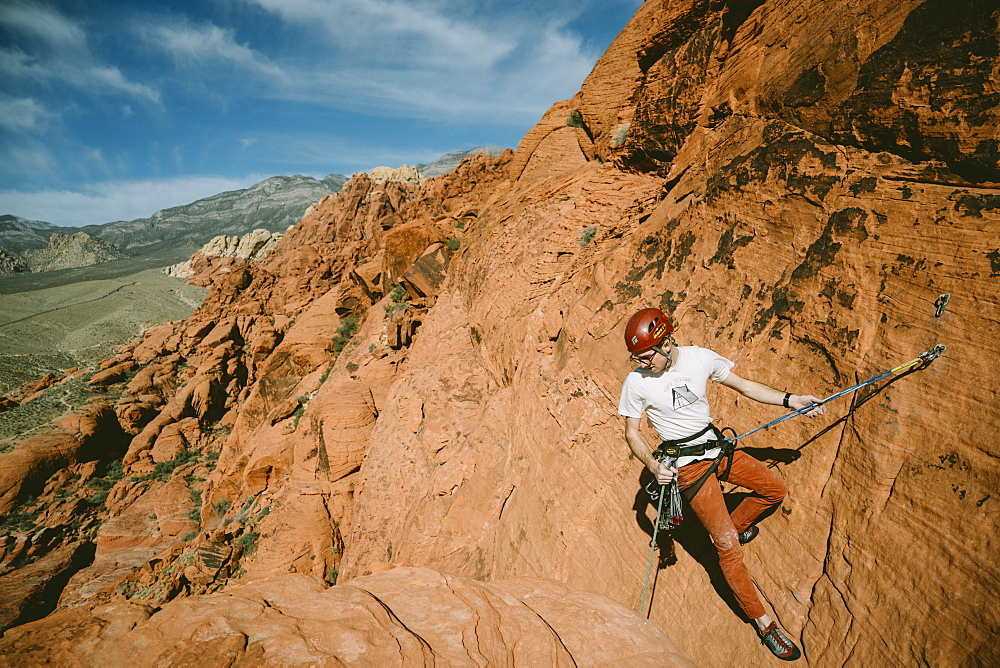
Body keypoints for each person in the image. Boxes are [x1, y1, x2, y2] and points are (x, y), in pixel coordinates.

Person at [619, 307, 826, 661]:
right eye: (636, 357)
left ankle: (735, 525)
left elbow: (744, 386)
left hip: (717, 448)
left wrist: (793, 400)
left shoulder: (700, 359)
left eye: (646, 355)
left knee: (775, 490)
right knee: (728, 548)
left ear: (667, 342)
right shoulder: (637, 382)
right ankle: (765, 626)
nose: (641, 363)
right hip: (688, 470)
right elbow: (631, 432)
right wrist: (653, 465)